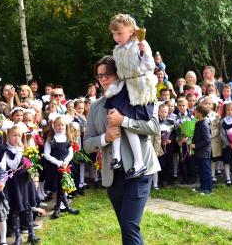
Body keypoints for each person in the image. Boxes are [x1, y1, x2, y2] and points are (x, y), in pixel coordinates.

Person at [84, 56, 160, 245]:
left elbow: (154, 127)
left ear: (119, 74)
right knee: (126, 226)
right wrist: (106, 138)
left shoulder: (137, 96)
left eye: (107, 74)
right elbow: (87, 144)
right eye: (99, 76)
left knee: (129, 225)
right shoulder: (95, 106)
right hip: (113, 175)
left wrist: (123, 121)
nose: (103, 79)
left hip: (140, 171)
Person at [104, 14, 157, 179]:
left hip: (138, 88)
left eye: (119, 33)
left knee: (127, 122)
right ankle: (117, 156)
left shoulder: (139, 44)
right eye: (113, 34)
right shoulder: (117, 50)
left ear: (131, 31)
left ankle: (139, 162)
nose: (116, 37)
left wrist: (144, 53)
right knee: (113, 115)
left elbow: (150, 66)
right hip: (124, 87)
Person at [0, 126, 40, 244]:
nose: (17, 138)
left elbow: (31, 164)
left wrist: (32, 172)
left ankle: (32, 234)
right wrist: (20, 152)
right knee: (15, 209)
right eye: (14, 135)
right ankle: (18, 237)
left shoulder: (24, 149)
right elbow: (10, 166)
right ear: (8, 136)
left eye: (19, 136)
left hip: (25, 182)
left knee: (28, 207)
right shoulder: (4, 151)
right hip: (13, 184)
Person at [43, 116, 79, 218]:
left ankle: (59, 208)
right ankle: (64, 207)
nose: (60, 127)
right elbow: (47, 154)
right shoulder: (50, 139)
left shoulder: (68, 137)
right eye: (58, 125)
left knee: (62, 188)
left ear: (65, 126)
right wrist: (58, 163)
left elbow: (70, 152)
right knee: (59, 187)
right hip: (55, 167)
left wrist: (66, 162)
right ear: (54, 126)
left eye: (62, 125)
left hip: (65, 166)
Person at [191, 104, 212, 194]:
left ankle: (208, 189)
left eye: (195, 110)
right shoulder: (199, 122)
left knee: (205, 170)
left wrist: (196, 145)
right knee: (201, 170)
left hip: (204, 152)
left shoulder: (204, 124)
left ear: (199, 113)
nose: (194, 112)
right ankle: (203, 187)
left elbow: (207, 139)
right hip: (199, 152)